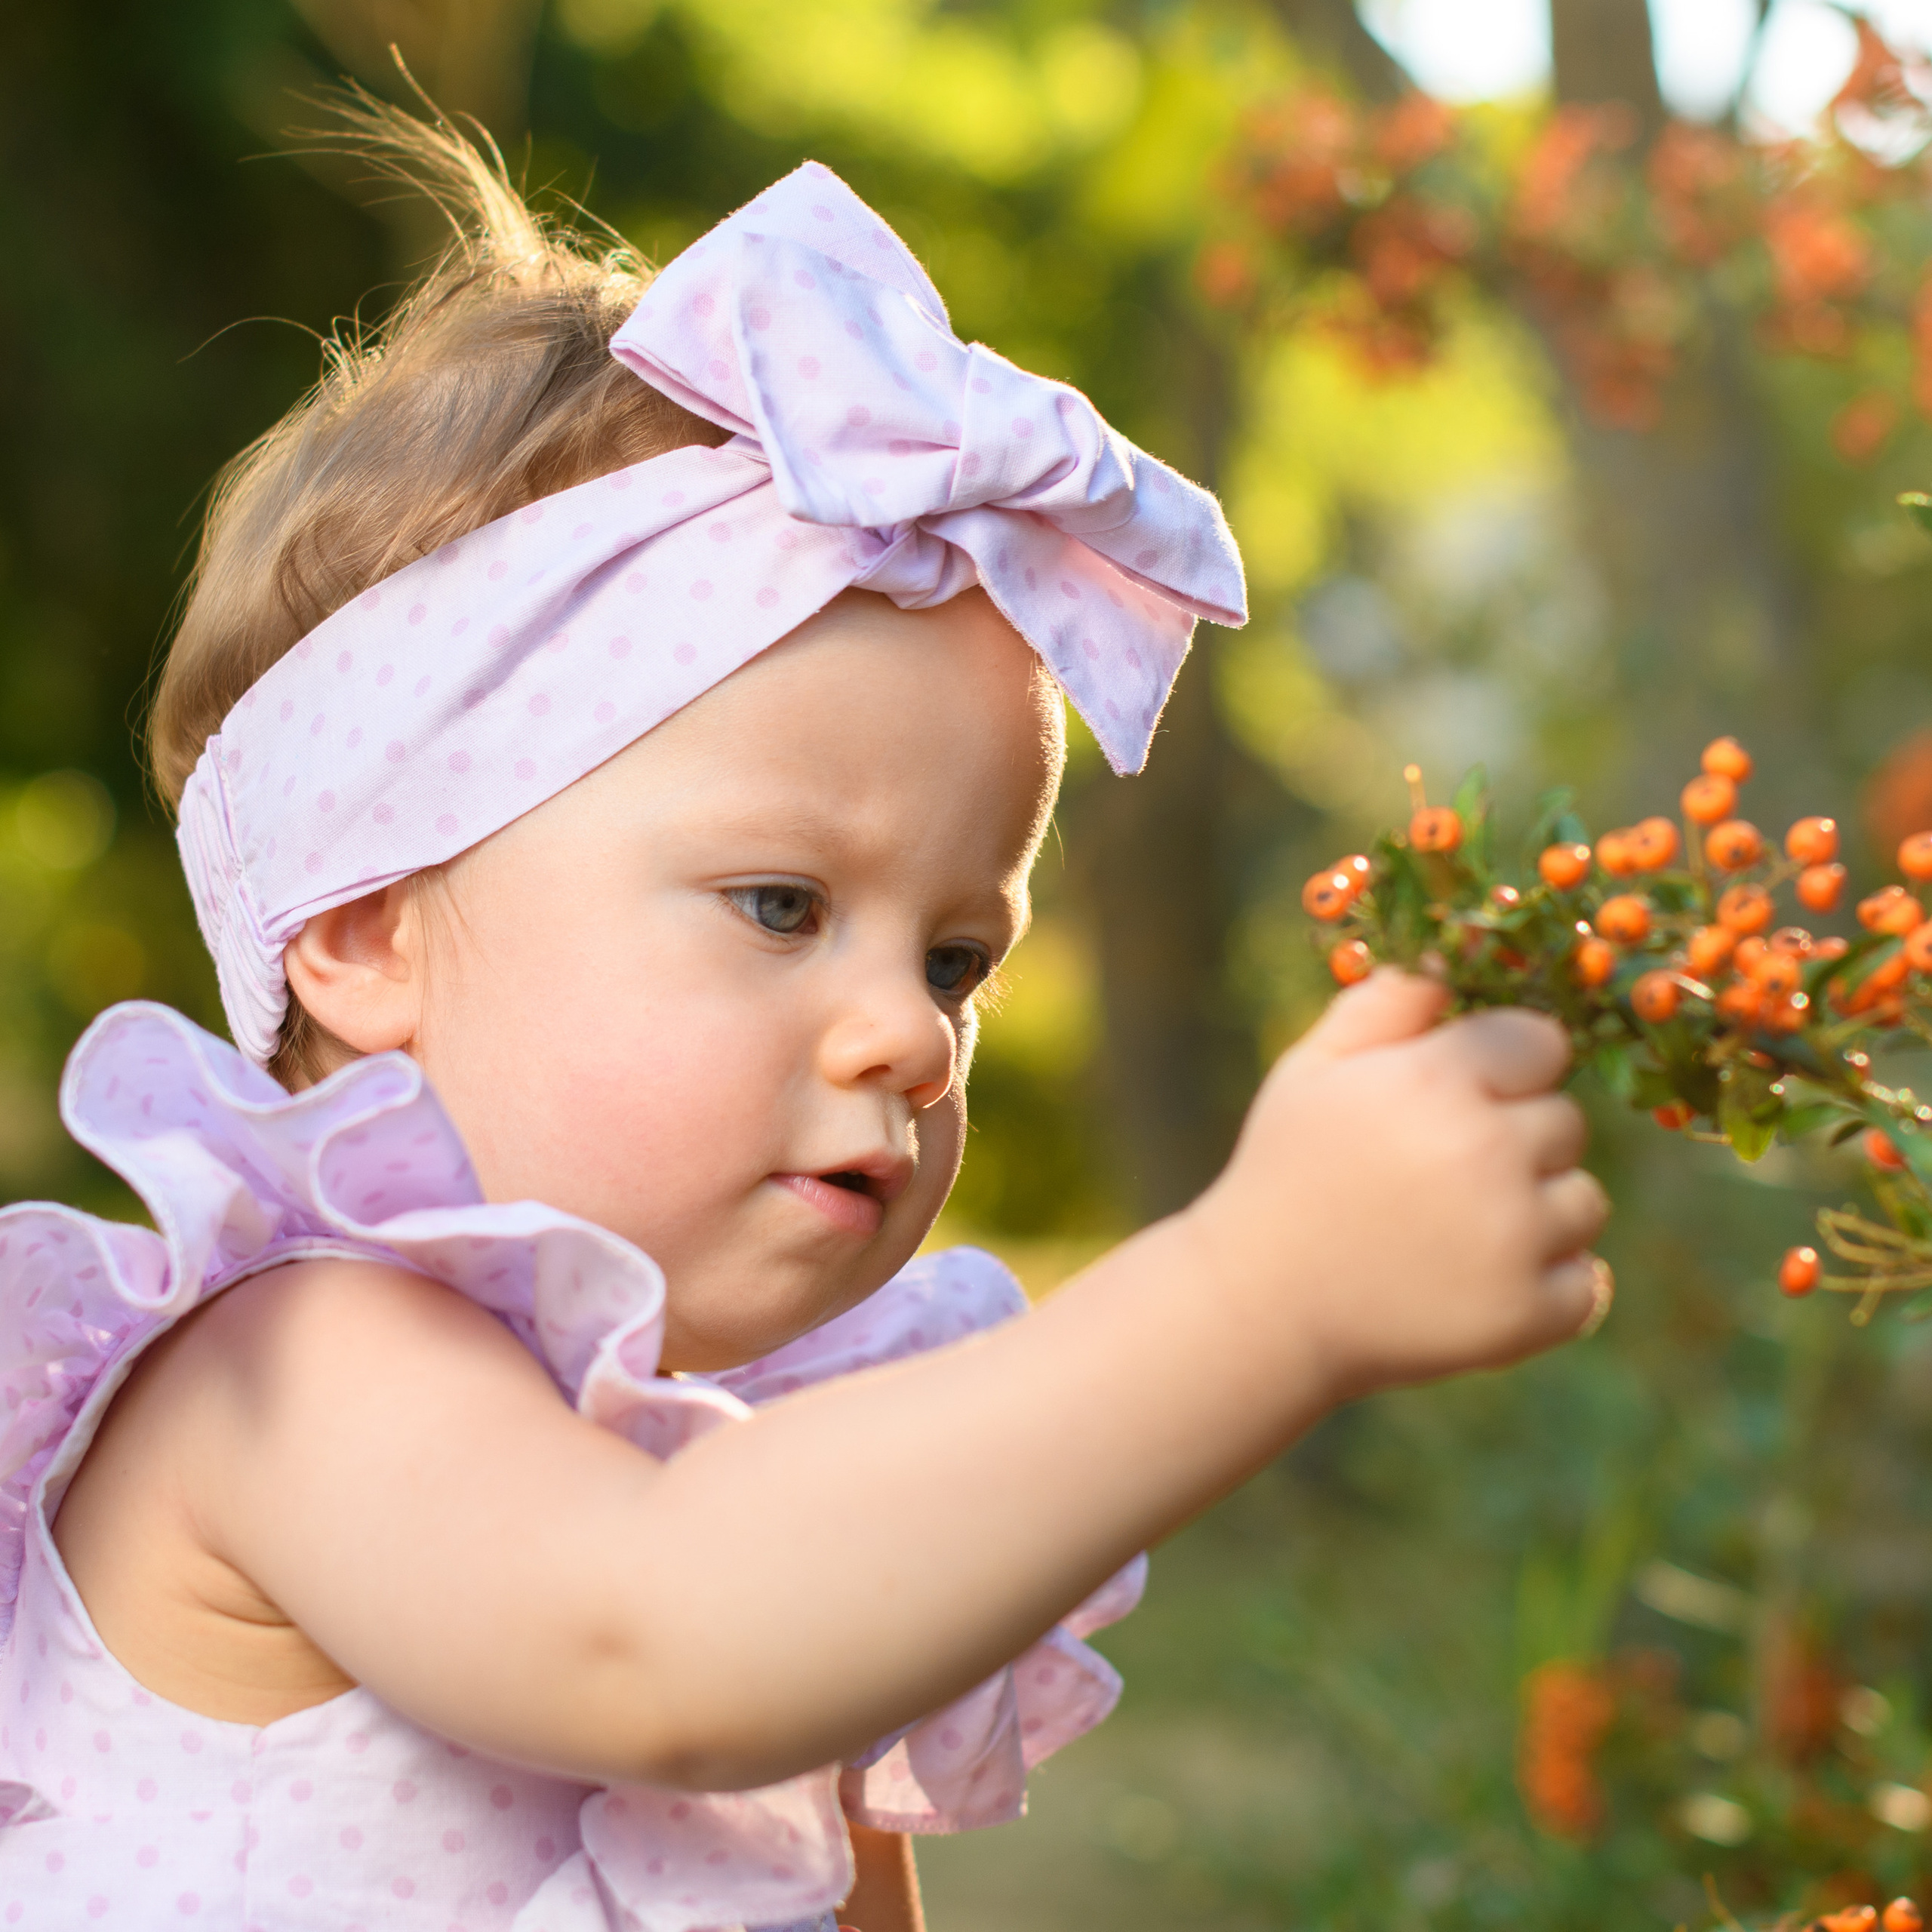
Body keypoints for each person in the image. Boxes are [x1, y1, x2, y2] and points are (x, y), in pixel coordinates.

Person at [0, 105, 1611, 1932]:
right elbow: (652, 1638)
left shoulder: (773, 1491)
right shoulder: (287, 1372)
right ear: (363, 931)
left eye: (953, 958)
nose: (910, 1040)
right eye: (781, 905)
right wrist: (1260, 1289)